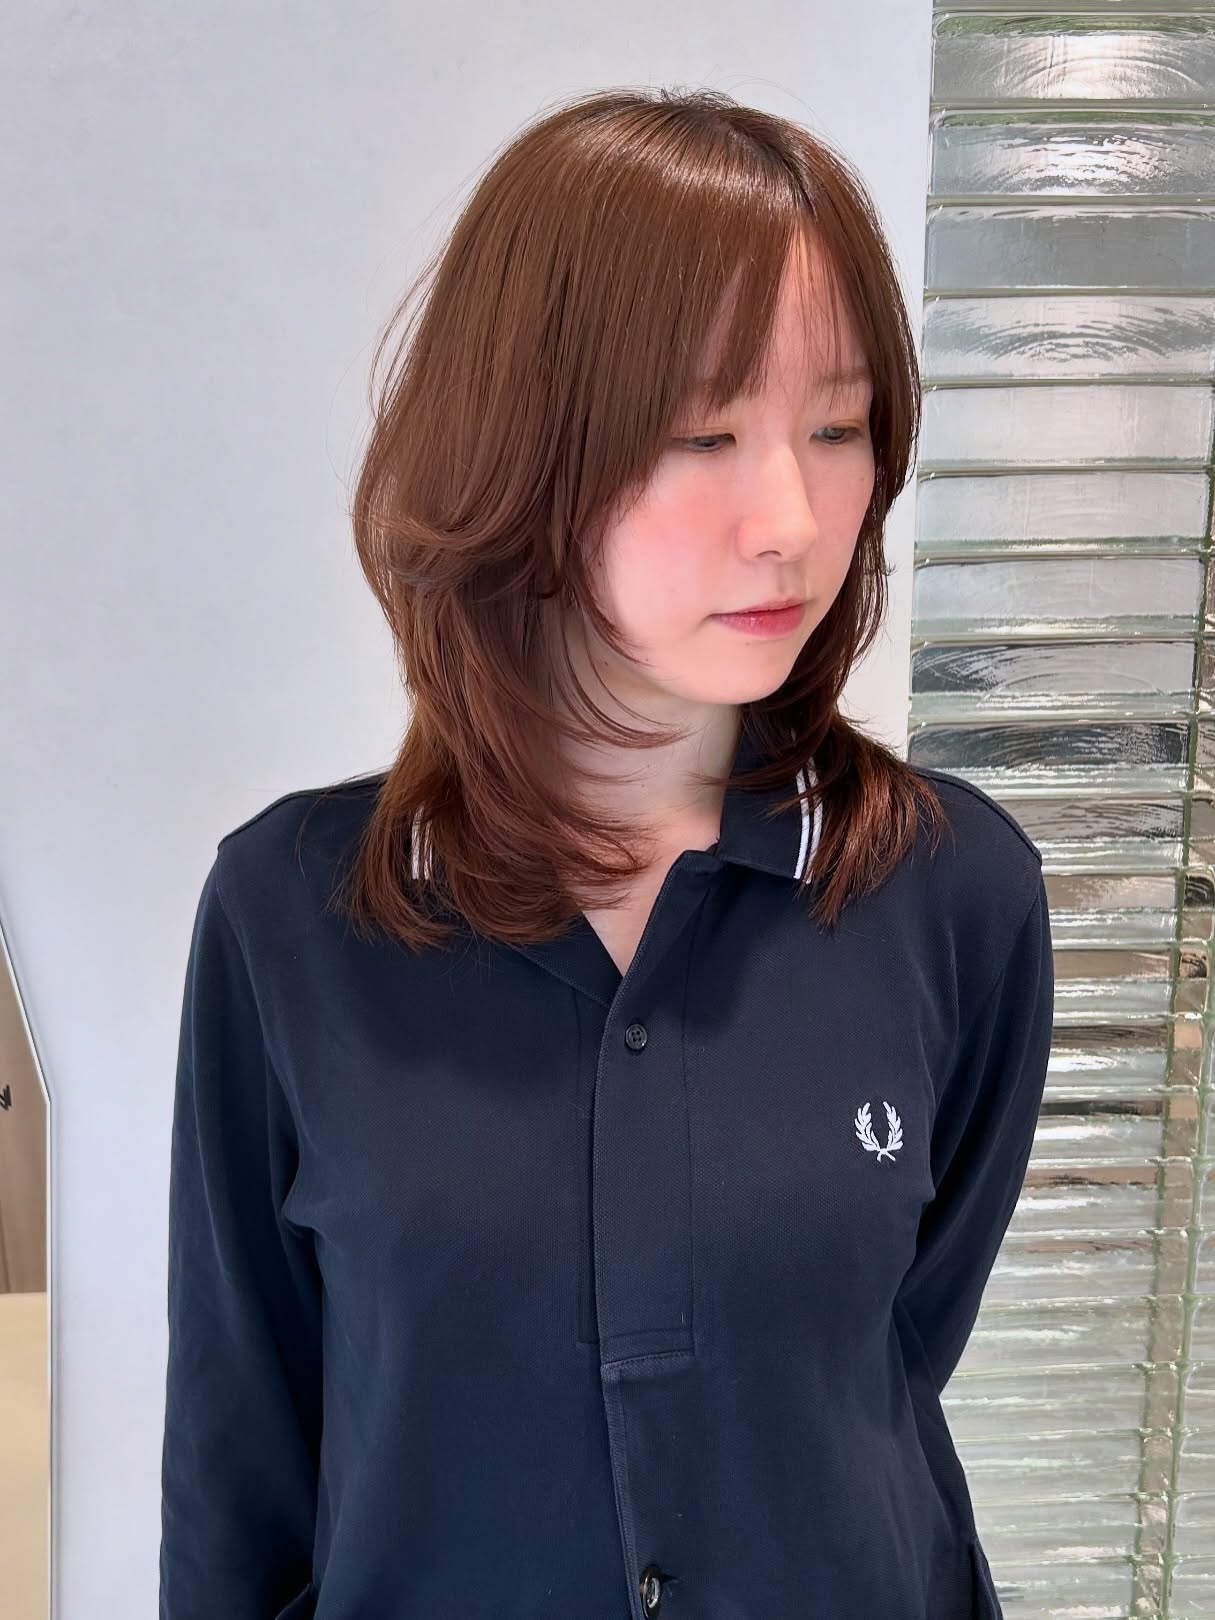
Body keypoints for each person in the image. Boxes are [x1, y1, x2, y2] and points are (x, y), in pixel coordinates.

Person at [159, 85, 1053, 1620]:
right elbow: (239, 1468)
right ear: (524, 448)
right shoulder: (291, 914)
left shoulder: (953, 892)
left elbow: (887, 1366)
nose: (791, 518)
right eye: (704, 432)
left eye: (838, 427)